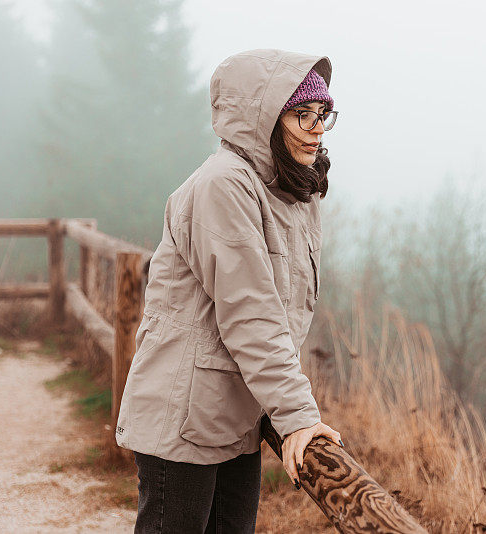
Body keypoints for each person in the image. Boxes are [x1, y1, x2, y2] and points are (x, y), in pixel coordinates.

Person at [114, 48, 343, 533]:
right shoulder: (222, 186)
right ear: (263, 117)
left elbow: (285, 312)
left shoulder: (288, 191)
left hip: (234, 418)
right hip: (184, 415)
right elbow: (252, 315)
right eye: (301, 114)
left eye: (322, 114)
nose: (316, 127)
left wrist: (279, 412)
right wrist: (298, 417)